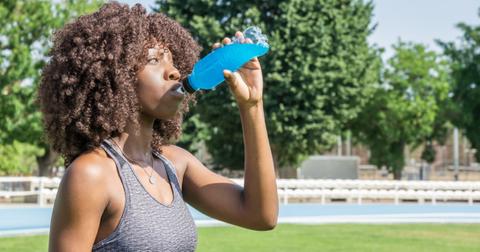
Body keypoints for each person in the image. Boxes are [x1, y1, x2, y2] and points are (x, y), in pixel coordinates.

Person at [37, 1, 278, 251]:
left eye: (173, 61)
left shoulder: (175, 164)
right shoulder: (92, 174)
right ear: (116, 76)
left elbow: (261, 216)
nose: (174, 71)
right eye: (154, 60)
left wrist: (252, 106)